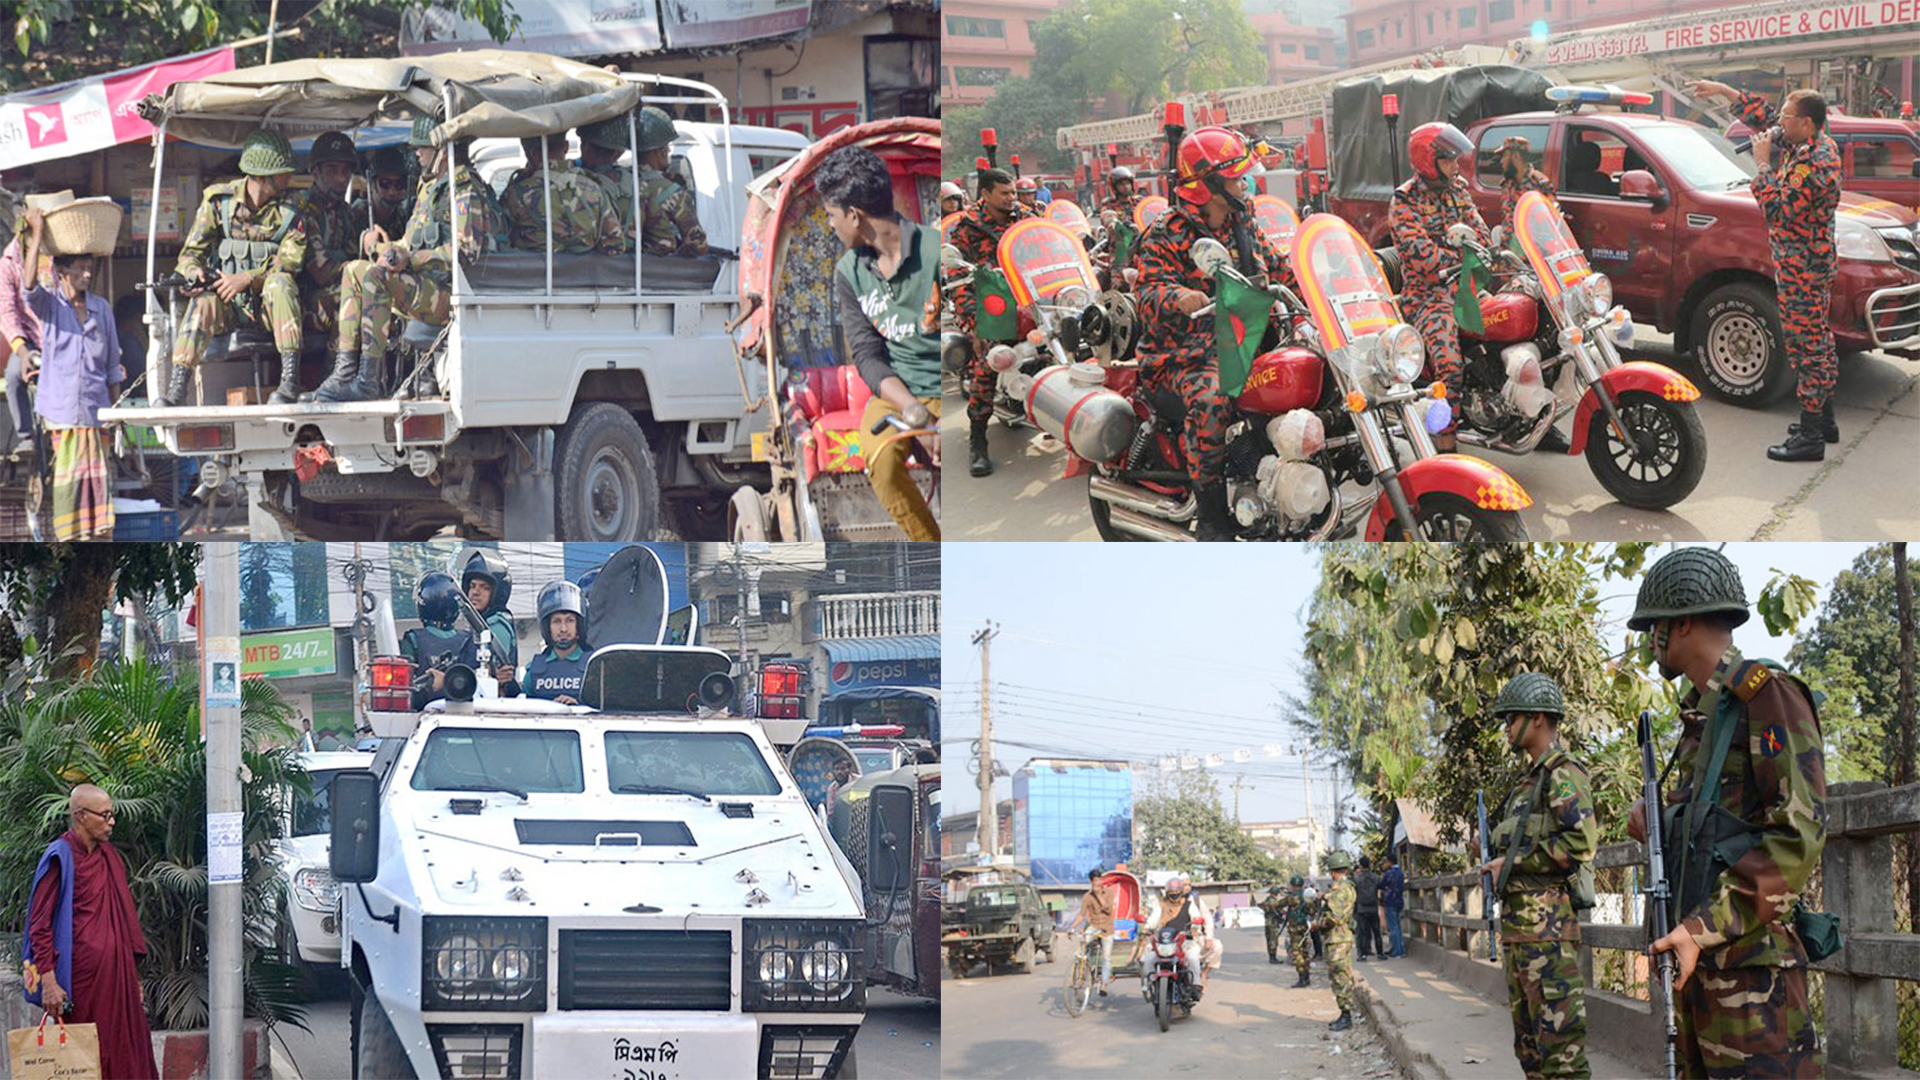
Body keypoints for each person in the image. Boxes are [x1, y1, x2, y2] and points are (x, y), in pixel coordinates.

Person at [1628, 547, 1827, 1078]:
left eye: (1656, 627)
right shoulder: (1703, 718)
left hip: (1754, 977)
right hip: (1703, 969)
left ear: (1683, 622)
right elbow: (1714, 827)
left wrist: (1701, 928)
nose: (1651, 640)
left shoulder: (1767, 695)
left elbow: (1798, 834)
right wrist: (1660, 821)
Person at [1133, 125, 1293, 540]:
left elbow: (1277, 266)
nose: (1245, 182)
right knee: (1213, 400)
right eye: (1237, 176)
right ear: (1208, 184)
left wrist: (1323, 277)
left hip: (1243, 342)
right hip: (1183, 357)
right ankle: (1211, 518)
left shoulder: (1243, 219)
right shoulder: (1167, 232)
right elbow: (1147, 293)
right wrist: (1177, 296)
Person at [1688, 79, 1843, 462]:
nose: (1779, 124)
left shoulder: (1813, 163)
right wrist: (1723, 90)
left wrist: (1760, 166)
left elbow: (1778, 211)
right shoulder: (1810, 141)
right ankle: (1823, 420)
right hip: (1807, 263)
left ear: (1806, 123)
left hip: (1802, 267)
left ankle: (1810, 437)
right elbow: (1765, 117)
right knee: (1817, 338)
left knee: (1806, 345)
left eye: (1788, 118)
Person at [317, 115, 505, 403]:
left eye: (423, 147)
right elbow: (407, 243)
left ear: (444, 150)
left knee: (374, 278)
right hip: (427, 288)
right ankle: (345, 372)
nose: (417, 153)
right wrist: (378, 248)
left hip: (452, 295)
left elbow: (467, 251)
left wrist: (412, 259)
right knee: (355, 269)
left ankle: (368, 381)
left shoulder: (464, 191)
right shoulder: (430, 189)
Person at [819, 144, 942, 542]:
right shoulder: (848, 272)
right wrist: (915, 414)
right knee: (884, 465)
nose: (831, 227)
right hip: (895, 395)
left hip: (945, 388)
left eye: (832, 217)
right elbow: (868, 357)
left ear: (855, 215)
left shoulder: (937, 251)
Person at [1479, 671, 1598, 1080]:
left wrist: (1511, 865)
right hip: (1520, 936)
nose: (1507, 729)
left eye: (1511, 719)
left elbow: (1581, 844)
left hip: (1549, 939)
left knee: (1562, 1057)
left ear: (1537, 719)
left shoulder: (1563, 774)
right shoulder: (1526, 784)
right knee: (1530, 1054)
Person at [161, 129, 307, 408]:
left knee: (282, 284)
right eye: (282, 173)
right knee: (203, 301)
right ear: (263, 177)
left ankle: (289, 380)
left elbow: (289, 263)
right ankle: (177, 389)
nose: (288, 178)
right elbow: (190, 254)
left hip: (270, 307)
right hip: (228, 307)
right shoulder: (219, 204)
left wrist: (247, 279)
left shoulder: (293, 209)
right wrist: (193, 273)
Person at [22, 784, 159, 1079]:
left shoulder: (109, 858)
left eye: (112, 815)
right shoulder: (60, 857)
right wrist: (48, 981)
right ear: (81, 816)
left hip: (117, 982)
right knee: (83, 1063)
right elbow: (39, 924)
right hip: (80, 986)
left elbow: (123, 920)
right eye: (105, 815)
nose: (112, 822)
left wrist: (133, 978)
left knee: (124, 1056)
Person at [20, 207, 123, 540]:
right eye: (79, 270)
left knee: (100, 505)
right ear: (61, 272)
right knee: (68, 498)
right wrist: (36, 233)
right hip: (63, 418)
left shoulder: (102, 309)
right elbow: (28, 285)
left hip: (96, 416)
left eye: (89, 270)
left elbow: (110, 367)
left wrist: (116, 412)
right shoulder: (49, 306)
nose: (87, 276)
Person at [1389, 121, 1492, 452]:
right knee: (1449, 367)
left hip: (1468, 289)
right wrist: (1462, 254)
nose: (1456, 165)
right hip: (1428, 298)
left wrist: (1472, 254)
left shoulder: (1458, 190)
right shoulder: (1404, 202)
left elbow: (1483, 237)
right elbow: (1424, 257)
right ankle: (1445, 445)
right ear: (1428, 161)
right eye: (1449, 159)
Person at [946, 166, 1029, 478]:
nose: (1012, 199)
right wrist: (976, 322)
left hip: (1026, 297)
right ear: (985, 194)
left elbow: (1042, 247)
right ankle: (978, 440)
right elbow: (958, 281)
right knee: (989, 362)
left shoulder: (1023, 217)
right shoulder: (966, 228)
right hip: (989, 301)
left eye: (1014, 193)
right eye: (1005, 194)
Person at [286, 131, 361, 403]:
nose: (341, 179)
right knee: (348, 299)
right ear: (315, 172)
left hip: (330, 299)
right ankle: (330, 380)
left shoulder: (345, 213)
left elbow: (351, 258)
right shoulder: (303, 209)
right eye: (332, 170)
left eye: (345, 171)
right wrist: (360, 271)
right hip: (300, 305)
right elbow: (321, 272)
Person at [1, 192, 59, 454]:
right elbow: (7, 310)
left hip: (60, 334)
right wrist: (23, 351)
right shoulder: (8, 263)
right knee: (14, 377)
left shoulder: (58, 255)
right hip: (30, 340)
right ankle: (27, 436)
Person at [500, 131, 622, 255]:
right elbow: (615, 244)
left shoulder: (516, 194)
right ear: (566, 146)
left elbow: (502, 240)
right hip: (584, 273)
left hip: (533, 273)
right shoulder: (594, 189)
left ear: (532, 154)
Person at [400, 570, 479, 709]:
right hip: (465, 716)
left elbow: (405, 689)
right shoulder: (469, 640)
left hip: (423, 719)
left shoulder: (413, 640)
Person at [1142, 874, 1219, 995]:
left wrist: (1194, 928)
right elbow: (1153, 918)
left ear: (1181, 891)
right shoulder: (1162, 905)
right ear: (1167, 892)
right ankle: (1151, 984)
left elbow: (1196, 917)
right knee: (1149, 959)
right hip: (1164, 942)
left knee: (1193, 957)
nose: (1174, 893)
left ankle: (1195, 985)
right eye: (1172, 891)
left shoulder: (1188, 904)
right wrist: (1147, 928)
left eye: (1177, 891)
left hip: (1184, 941)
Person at [456, 549, 519, 689]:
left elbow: (492, 673)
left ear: (497, 592)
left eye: (484, 588)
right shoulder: (479, 625)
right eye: (472, 586)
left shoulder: (496, 624)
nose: (475, 592)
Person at [522, 580, 591, 704]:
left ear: (579, 625)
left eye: (570, 620)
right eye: (556, 621)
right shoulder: (533, 671)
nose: (563, 629)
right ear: (547, 627)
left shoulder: (594, 667)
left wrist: (578, 707)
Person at [1317, 851, 1357, 1030]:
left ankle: (1346, 1015)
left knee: (1339, 976)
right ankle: (1345, 1013)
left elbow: (1332, 918)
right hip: (1344, 936)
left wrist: (1317, 924)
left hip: (1336, 938)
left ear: (1333, 872)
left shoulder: (1339, 891)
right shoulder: (1349, 888)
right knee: (1344, 975)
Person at [1067, 868, 1117, 995]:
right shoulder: (1087, 897)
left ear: (1101, 881)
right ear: (1091, 882)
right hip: (1094, 926)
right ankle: (1081, 971)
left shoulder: (1109, 893)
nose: (1097, 883)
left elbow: (1108, 910)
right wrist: (1072, 928)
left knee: (1106, 957)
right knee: (1082, 944)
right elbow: (1081, 915)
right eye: (1094, 881)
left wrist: (1098, 895)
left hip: (1107, 928)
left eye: (1098, 880)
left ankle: (1104, 984)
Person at [352, 146, 415, 242]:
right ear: (372, 185)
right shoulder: (356, 215)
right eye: (385, 184)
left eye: (399, 185)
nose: (392, 192)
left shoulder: (403, 217)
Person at [1283, 875, 1315, 987]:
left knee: (1297, 953)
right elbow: (1312, 911)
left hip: (1295, 929)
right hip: (1304, 928)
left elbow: (1278, 904)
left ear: (1293, 885)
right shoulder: (1306, 896)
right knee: (1305, 953)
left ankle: (1302, 979)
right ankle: (1307, 978)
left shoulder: (1292, 897)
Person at [1353, 855, 1383, 961]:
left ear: (1360, 866)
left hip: (1361, 908)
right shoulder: (1375, 877)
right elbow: (1381, 887)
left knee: (1363, 932)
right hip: (1373, 907)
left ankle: (1363, 955)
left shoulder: (1356, 878)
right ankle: (1380, 953)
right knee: (1376, 931)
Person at [1381, 853, 1406, 959]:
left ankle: (1397, 952)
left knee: (1393, 927)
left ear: (1390, 862)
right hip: (1399, 900)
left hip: (1390, 901)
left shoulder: (1389, 873)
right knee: (1398, 927)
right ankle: (1401, 950)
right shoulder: (1401, 872)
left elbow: (1381, 884)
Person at [1259, 884, 1287, 964]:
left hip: (1267, 923)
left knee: (1269, 940)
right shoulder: (1274, 901)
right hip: (1273, 923)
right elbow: (1280, 910)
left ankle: (1271, 957)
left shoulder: (1266, 900)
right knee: (1273, 940)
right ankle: (1273, 958)